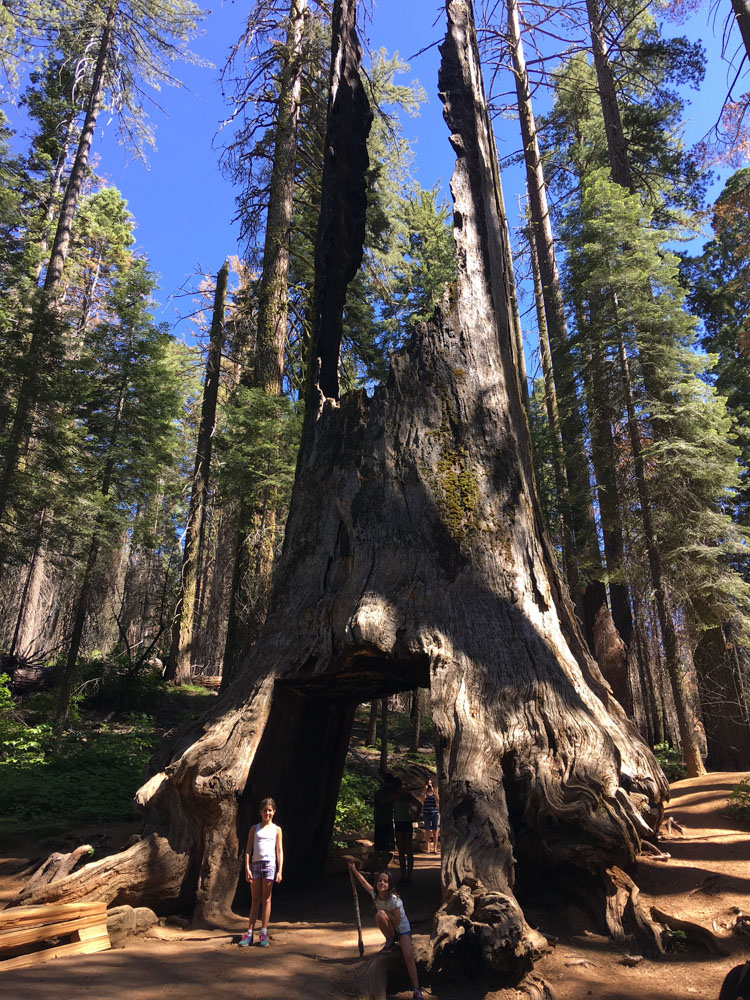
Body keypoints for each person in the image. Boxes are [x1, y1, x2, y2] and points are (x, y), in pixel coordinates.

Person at [348, 863, 424, 1000]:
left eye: (385, 881)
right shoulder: (375, 895)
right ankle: (390, 941)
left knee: (408, 956)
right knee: (379, 916)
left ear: (389, 885)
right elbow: (364, 883)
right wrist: (353, 869)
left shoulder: (394, 900)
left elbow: (397, 921)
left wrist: (385, 913)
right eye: (379, 880)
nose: (382, 883)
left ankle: (417, 989)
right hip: (391, 930)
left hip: (403, 930)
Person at [239, 797, 283, 948]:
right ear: (260, 812)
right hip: (255, 865)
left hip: (270, 865)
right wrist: (247, 867)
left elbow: (279, 851)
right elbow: (248, 849)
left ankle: (263, 932)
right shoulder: (254, 828)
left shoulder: (277, 830)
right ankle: (249, 933)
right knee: (255, 899)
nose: (267, 813)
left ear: (274, 812)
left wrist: (280, 870)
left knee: (267, 899)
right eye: (265, 811)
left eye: (270, 811)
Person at [392, 778, 421, 884]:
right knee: (405, 850)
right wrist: (415, 817)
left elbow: (419, 805)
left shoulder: (400, 796)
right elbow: (419, 805)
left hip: (403, 823)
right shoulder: (401, 795)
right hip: (404, 823)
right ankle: (405, 876)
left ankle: (406, 876)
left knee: (405, 850)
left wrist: (415, 817)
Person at [373, 772, 399, 858]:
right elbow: (382, 802)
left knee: (377, 848)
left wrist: (375, 818)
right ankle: (384, 868)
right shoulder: (391, 792)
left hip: (379, 821)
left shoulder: (378, 791)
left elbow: (375, 807)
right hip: (386, 821)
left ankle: (374, 870)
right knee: (386, 848)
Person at [421, 779, 439, 854]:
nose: (429, 785)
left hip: (434, 814)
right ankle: (427, 848)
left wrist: (433, 792)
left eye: (431, 783)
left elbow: (438, 801)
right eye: (428, 783)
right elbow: (422, 800)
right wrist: (425, 790)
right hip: (426, 814)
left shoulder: (435, 792)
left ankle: (435, 848)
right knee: (427, 830)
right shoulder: (424, 793)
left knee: (435, 830)